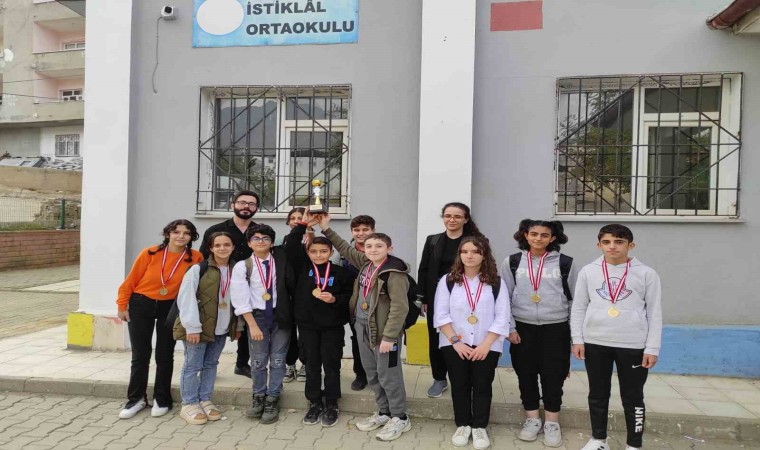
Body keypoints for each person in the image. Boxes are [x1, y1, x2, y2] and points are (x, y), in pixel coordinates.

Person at [318, 214, 413, 442]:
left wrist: (389, 337)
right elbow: (344, 248)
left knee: (389, 375)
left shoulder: (394, 273)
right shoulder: (366, 264)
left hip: (384, 332)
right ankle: (384, 412)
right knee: (372, 373)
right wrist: (325, 229)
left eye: (379, 246)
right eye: (369, 246)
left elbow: (400, 308)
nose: (373, 250)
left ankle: (400, 416)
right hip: (362, 326)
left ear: (389, 248)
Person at [571, 224, 662, 450]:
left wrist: (652, 348)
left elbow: (654, 312)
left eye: (619, 242)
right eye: (607, 242)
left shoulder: (647, 273)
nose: (612, 246)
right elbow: (579, 307)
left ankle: (634, 444)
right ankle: (598, 440)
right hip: (595, 342)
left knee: (633, 397)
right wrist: (578, 339)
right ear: (599, 245)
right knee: (597, 394)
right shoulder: (588, 271)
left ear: (631, 245)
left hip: (632, 344)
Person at [500, 219, 579, 447]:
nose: (538, 239)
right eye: (533, 234)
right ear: (525, 235)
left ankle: (552, 422)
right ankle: (532, 419)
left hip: (556, 327)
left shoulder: (566, 263)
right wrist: (510, 327)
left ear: (552, 238)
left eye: (544, 235)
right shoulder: (512, 262)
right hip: (523, 327)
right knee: (525, 374)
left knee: (554, 375)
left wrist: (574, 336)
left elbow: (575, 301)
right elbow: (504, 298)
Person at [116, 219, 203, 419]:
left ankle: (161, 399)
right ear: (167, 234)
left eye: (186, 233)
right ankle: (136, 399)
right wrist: (122, 304)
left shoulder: (195, 257)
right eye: (176, 232)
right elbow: (131, 280)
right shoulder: (150, 253)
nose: (181, 236)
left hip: (171, 307)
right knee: (140, 354)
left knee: (165, 354)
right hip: (141, 303)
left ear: (191, 237)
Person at [434, 236, 509, 450]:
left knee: (482, 385)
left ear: (484, 255)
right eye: (465, 251)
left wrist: (485, 345)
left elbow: (502, 316)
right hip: (455, 344)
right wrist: (456, 342)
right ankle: (463, 425)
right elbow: (441, 315)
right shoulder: (448, 281)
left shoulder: (496, 282)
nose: (469, 255)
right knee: (459, 385)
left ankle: (479, 427)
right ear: (459, 255)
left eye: (475, 251)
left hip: (487, 344)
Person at [285, 212, 353, 427]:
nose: (318, 255)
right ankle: (314, 402)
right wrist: (303, 223)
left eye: (323, 251)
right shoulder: (302, 268)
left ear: (331, 252)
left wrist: (335, 299)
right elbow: (291, 246)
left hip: (332, 326)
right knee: (311, 364)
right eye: (313, 251)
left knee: (331, 365)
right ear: (308, 252)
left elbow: (350, 296)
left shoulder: (340, 272)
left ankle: (331, 403)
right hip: (307, 326)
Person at [417, 202, 484, 398]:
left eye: (457, 216)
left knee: (466, 335)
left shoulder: (477, 242)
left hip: (466, 298)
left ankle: (465, 379)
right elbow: (424, 269)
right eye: (448, 216)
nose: (452, 220)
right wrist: (423, 297)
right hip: (437, 298)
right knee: (436, 337)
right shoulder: (433, 240)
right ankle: (439, 378)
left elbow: (485, 267)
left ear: (466, 219)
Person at [174, 232, 242, 425]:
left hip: (221, 327)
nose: (222, 248)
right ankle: (189, 403)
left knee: (211, 364)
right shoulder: (199, 269)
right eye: (217, 245)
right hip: (199, 327)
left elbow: (240, 300)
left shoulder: (237, 270)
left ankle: (205, 399)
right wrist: (192, 327)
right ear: (211, 248)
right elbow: (186, 298)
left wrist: (237, 326)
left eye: (226, 244)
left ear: (233, 247)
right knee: (193, 366)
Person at [230, 224, 293, 425]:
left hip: (280, 316)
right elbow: (240, 298)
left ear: (272, 243)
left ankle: (273, 397)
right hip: (256, 317)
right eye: (256, 238)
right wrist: (252, 325)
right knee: (258, 360)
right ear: (249, 243)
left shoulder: (281, 261)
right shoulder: (243, 266)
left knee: (278, 359)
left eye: (265, 238)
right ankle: (258, 395)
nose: (261, 242)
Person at [199, 190, 261, 379]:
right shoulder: (216, 230)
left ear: (256, 208)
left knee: (246, 324)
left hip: (250, 285)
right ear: (233, 205)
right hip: (220, 283)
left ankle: (242, 364)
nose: (246, 206)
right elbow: (204, 258)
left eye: (251, 204)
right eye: (242, 202)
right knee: (214, 322)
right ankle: (206, 365)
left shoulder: (259, 231)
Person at [337, 214, 376, 391]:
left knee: (375, 339)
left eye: (365, 229)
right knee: (357, 339)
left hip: (374, 304)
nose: (361, 233)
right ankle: (360, 374)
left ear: (373, 230)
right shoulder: (343, 254)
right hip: (352, 304)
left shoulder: (379, 250)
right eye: (356, 230)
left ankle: (377, 374)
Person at [281, 207, 308, 383]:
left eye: (301, 218)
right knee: (288, 330)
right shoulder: (284, 240)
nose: (297, 221)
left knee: (306, 331)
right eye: (293, 218)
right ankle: (290, 363)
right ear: (288, 221)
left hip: (307, 292)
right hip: (288, 292)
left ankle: (306, 363)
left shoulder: (313, 239)